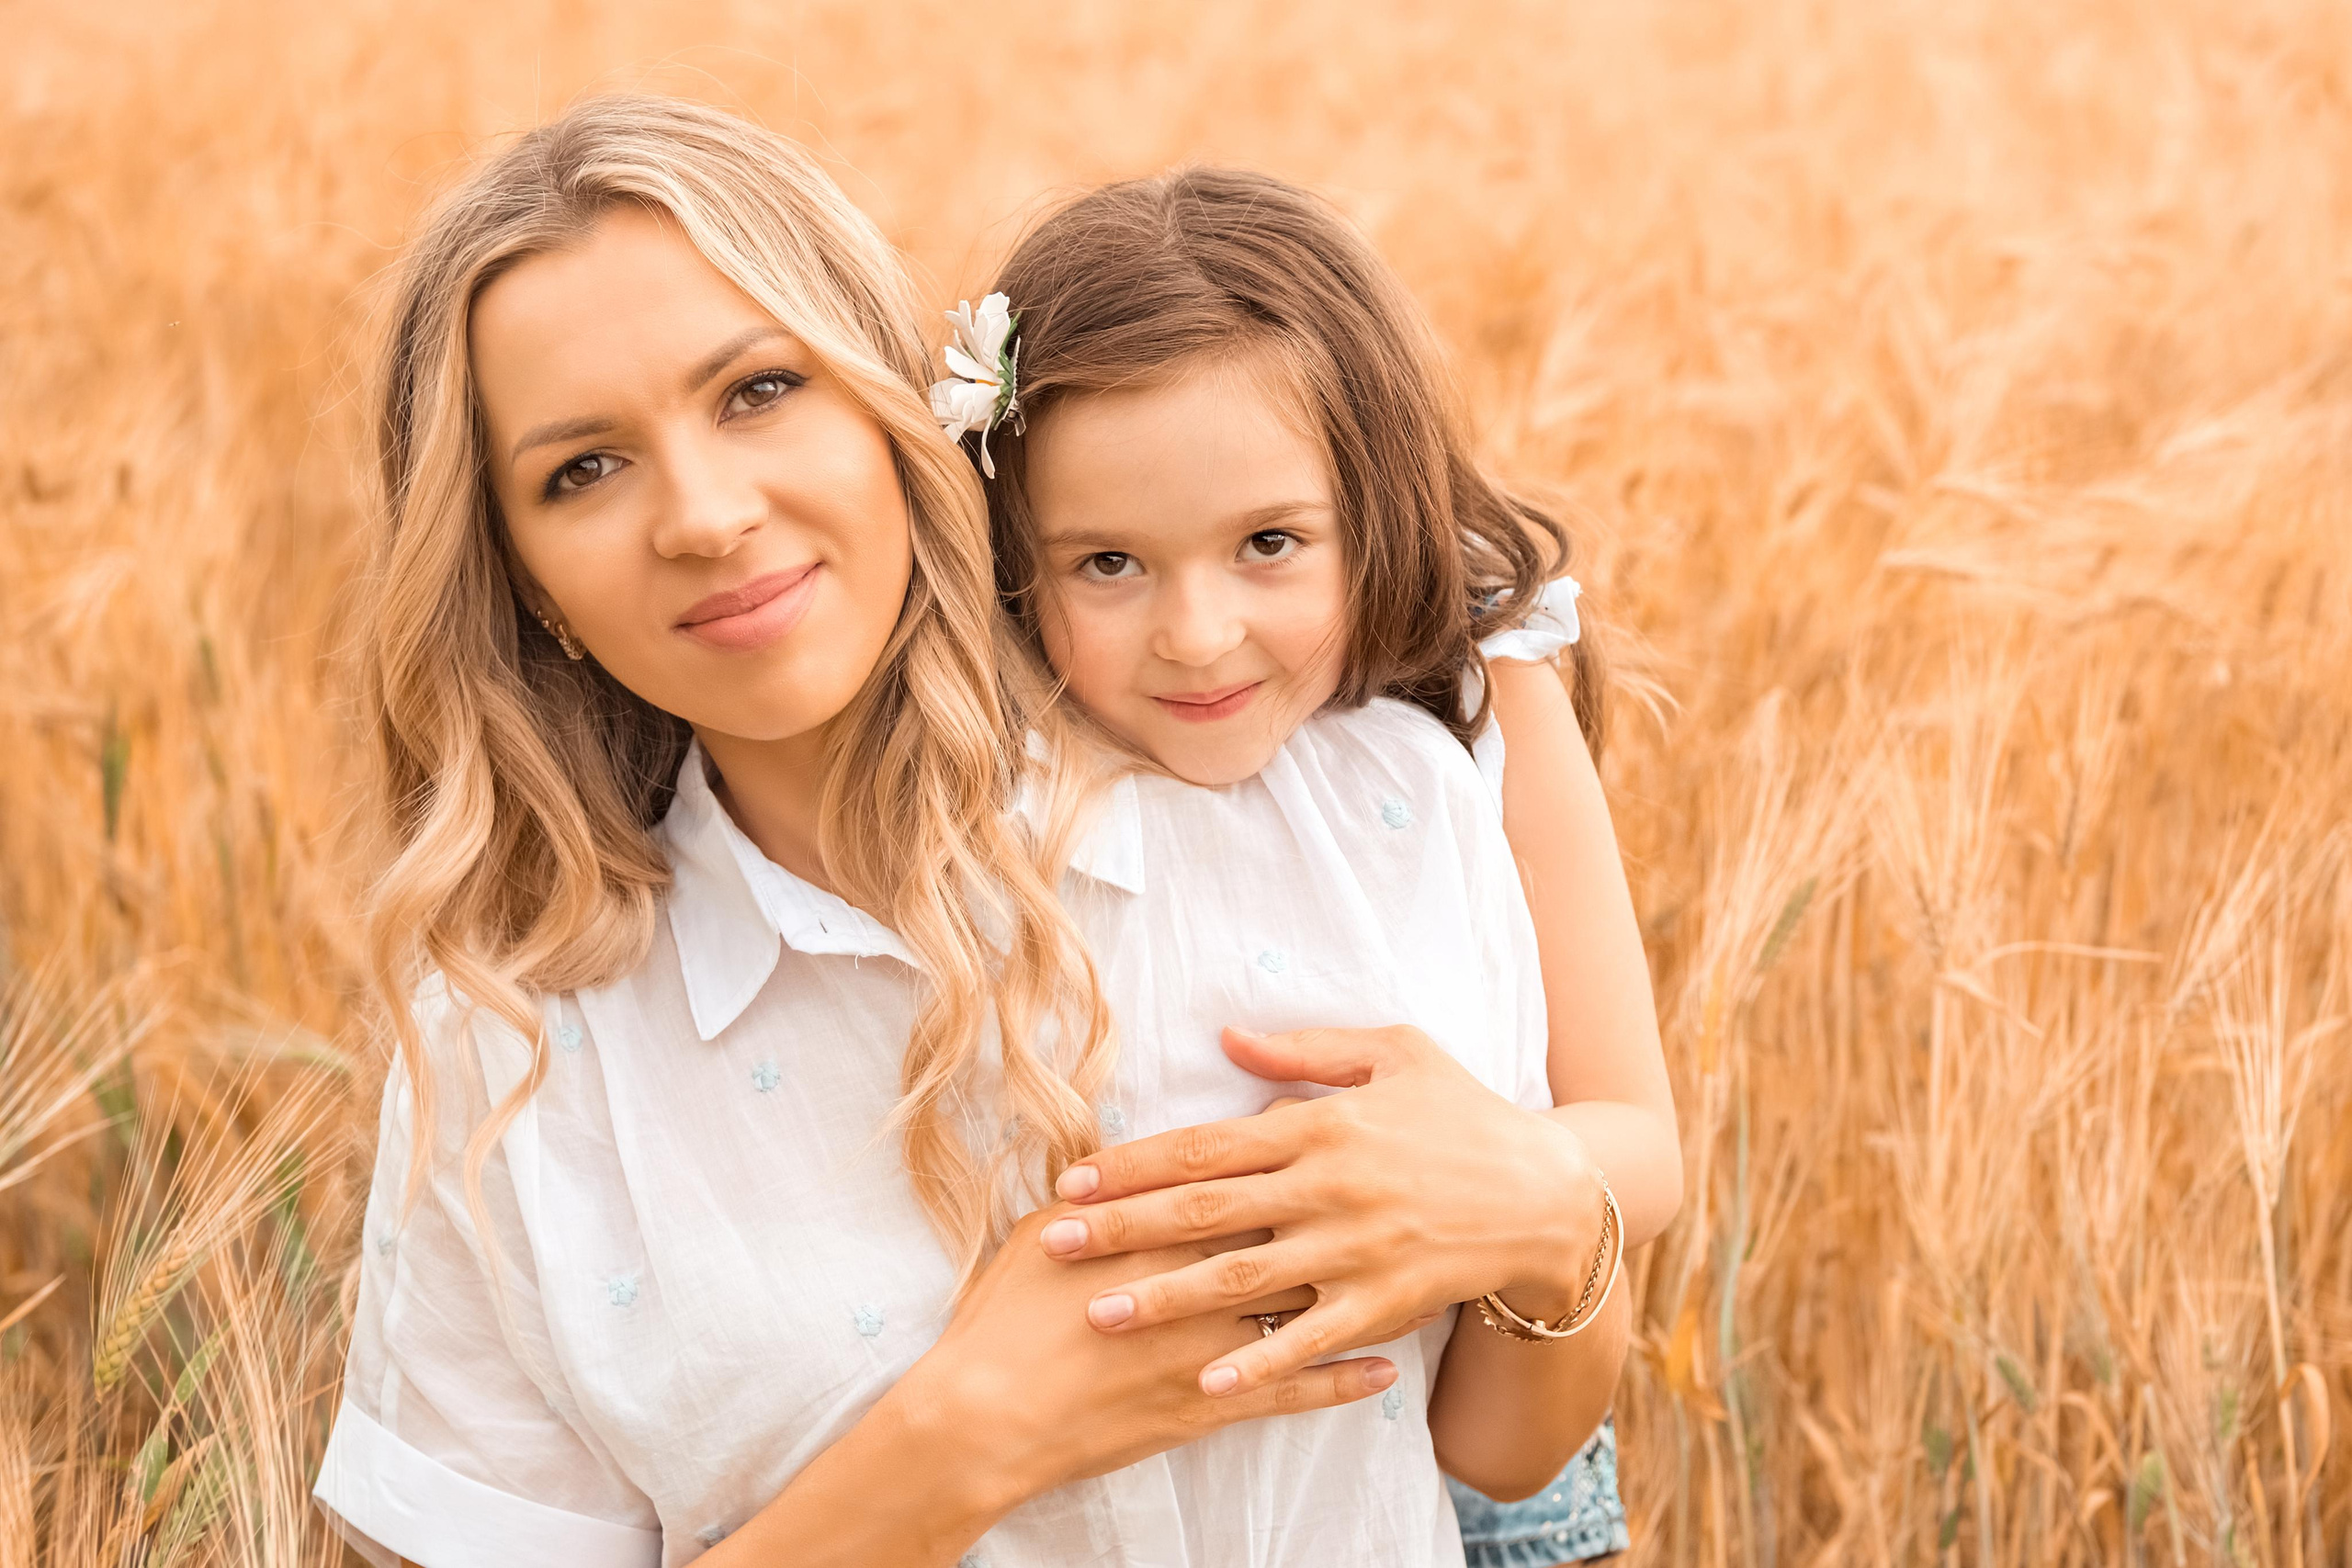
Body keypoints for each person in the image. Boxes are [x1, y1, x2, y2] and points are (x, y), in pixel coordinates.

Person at [312, 96, 1629, 1568]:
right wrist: (962, 1442)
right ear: (523, 577)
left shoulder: (1347, 806)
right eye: (583, 469)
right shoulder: (513, 1061)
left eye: (755, 391)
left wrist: (1555, 1216)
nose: (701, 513)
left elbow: (1512, 1448)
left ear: (895, 406)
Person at [950, 166, 1679, 1562]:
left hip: (1460, 1450)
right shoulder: (980, 766)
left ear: (1377, 508)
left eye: (1270, 545)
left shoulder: (1469, 696)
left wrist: (1460, 1188)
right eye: (1108, 563)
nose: (1200, 633)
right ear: (1012, 563)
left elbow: (1635, 1142)